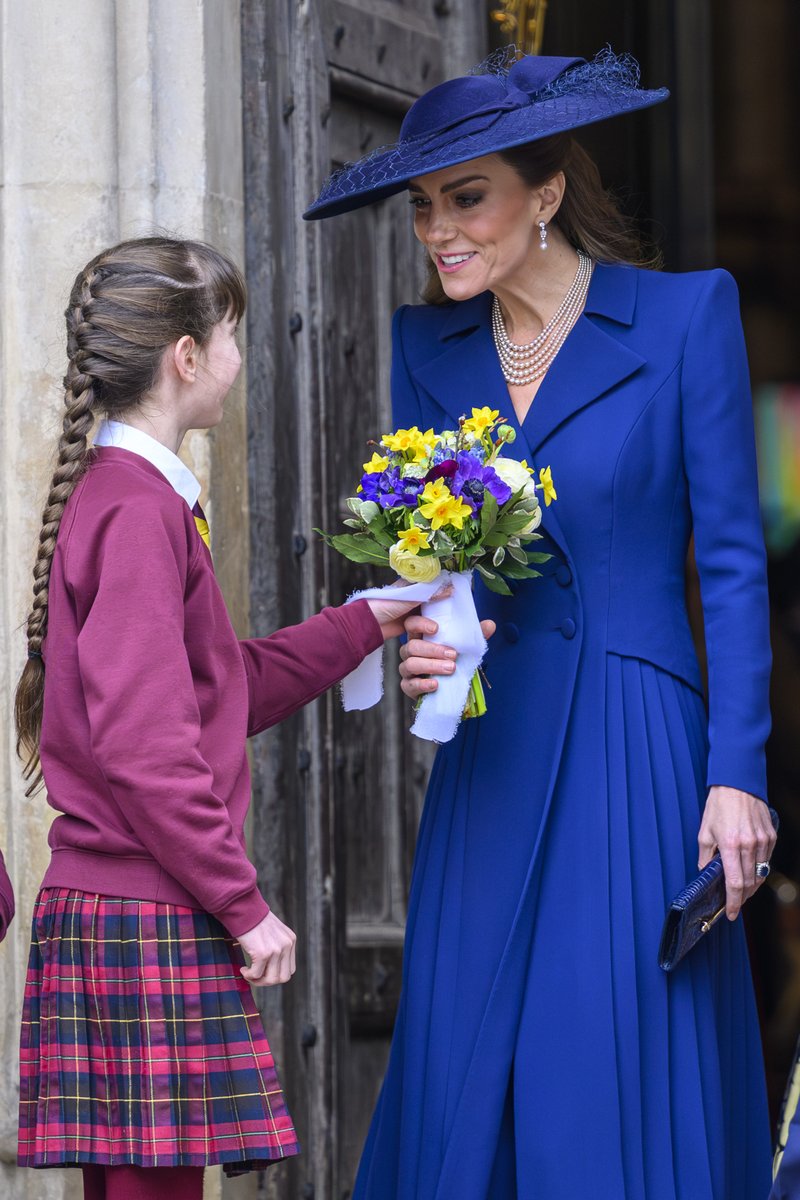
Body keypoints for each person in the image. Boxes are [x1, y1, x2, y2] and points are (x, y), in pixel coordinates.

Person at [305, 51, 776, 1199]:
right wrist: (428, 647)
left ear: (546, 193)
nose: (438, 230)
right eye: (423, 206)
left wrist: (736, 774)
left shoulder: (681, 317)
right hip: (492, 749)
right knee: (475, 1057)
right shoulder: (427, 351)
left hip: (636, 738)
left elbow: (728, 562)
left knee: (605, 1057)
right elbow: (438, 572)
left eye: (466, 197)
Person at [13, 237, 421, 1200]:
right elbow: (148, 748)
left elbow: (213, 688)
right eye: (232, 334)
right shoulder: (138, 510)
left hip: (120, 904)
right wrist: (244, 904)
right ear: (186, 358)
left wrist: (365, 620)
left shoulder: (128, 498)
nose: (241, 358)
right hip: (146, 907)